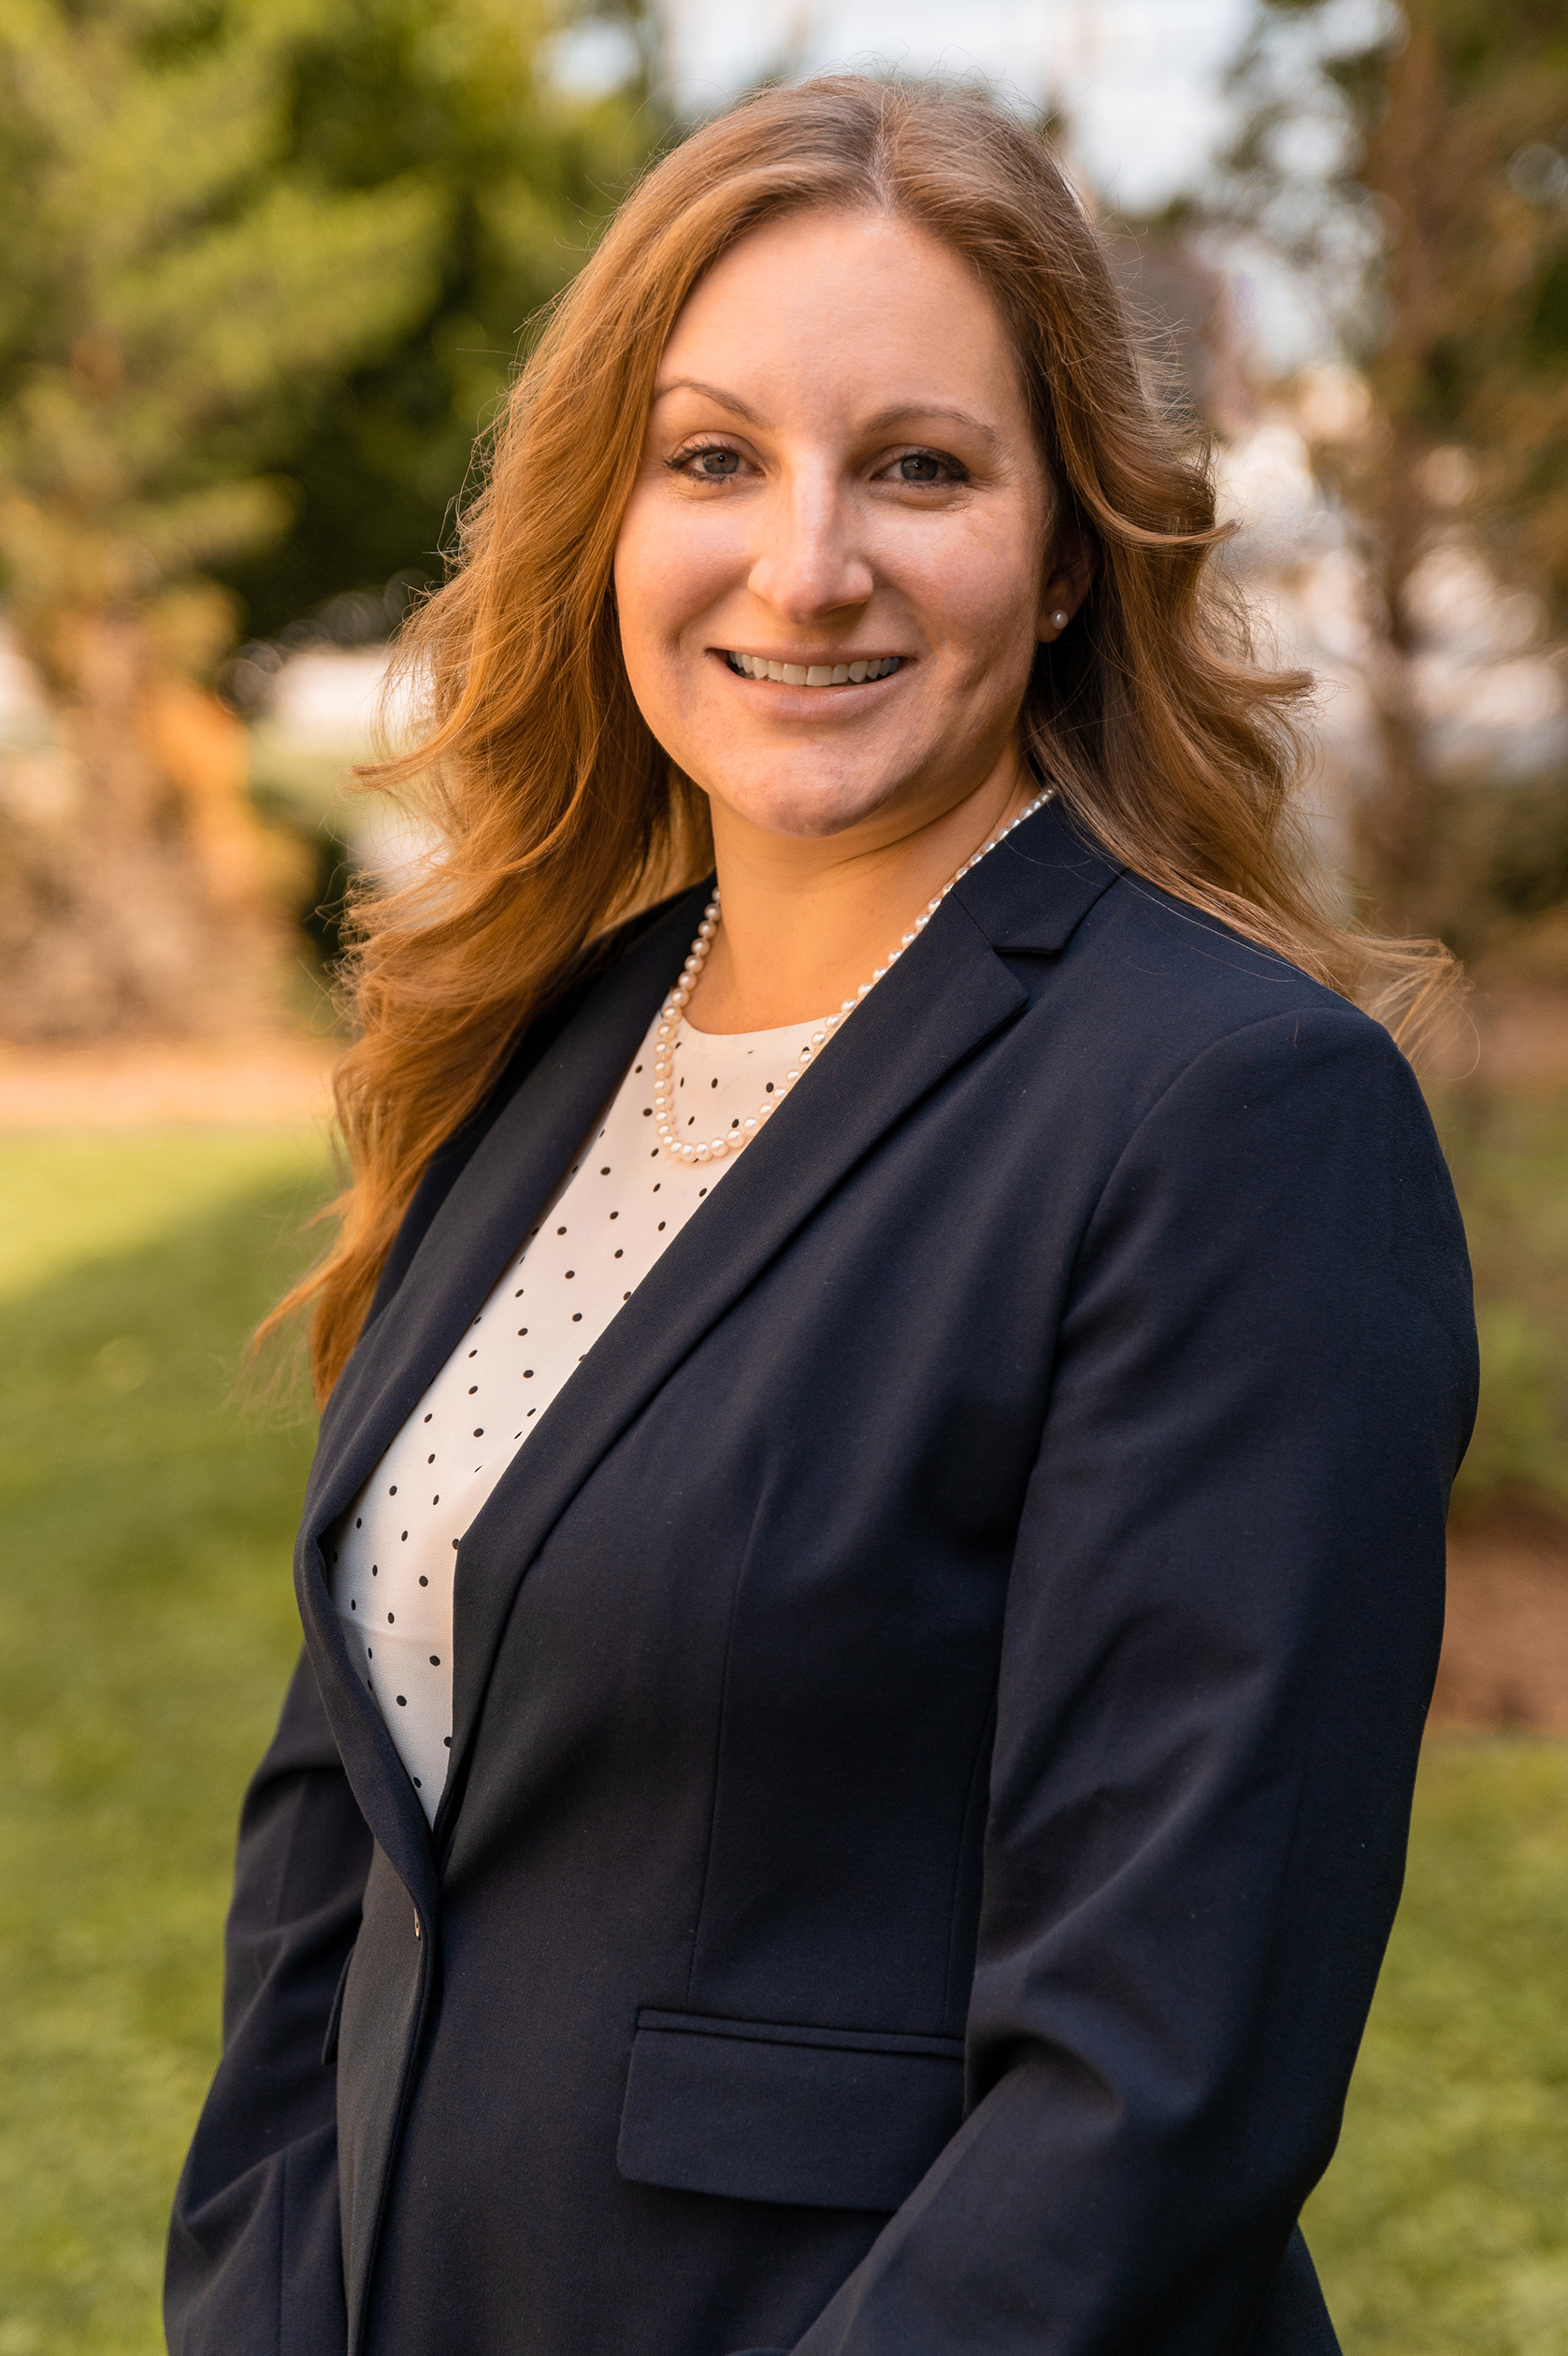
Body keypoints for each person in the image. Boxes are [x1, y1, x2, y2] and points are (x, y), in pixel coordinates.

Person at [165, 75, 1476, 2356]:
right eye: (712, 459)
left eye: (918, 465)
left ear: (1068, 545)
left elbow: (1156, 2077)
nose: (804, 564)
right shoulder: (549, 1050)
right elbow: (339, 1844)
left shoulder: (1229, 1117)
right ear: (608, 518)